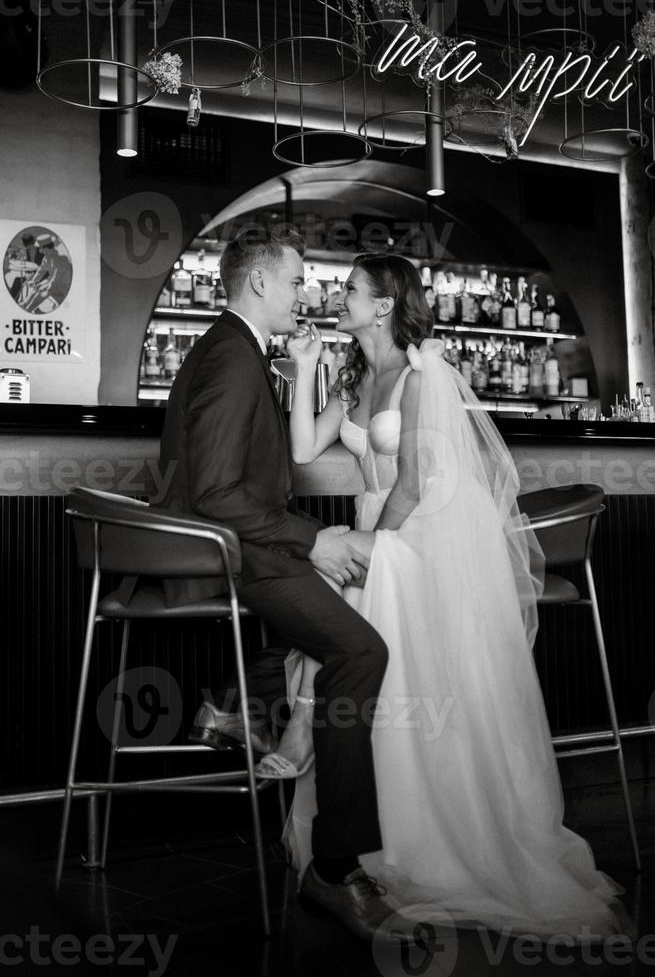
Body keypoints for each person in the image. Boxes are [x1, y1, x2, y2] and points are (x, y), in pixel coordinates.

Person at [262, 252, 627, 940]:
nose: (335, 298)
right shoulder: (355, 373)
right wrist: (306, 366)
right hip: (383, 534)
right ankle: (327, 754)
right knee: (325, 574)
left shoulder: (423, 373)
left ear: (383, 304)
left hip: (419, 534)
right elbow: (306, 449)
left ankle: (306, 725)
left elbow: (414, 484)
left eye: (348, 291)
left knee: (326, 571)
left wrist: (381, 553)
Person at [157, 230, 399, 942]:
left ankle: (240, 706)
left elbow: (240, 483)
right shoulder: (234, 359)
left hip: (234, 547)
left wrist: (306, 540)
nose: (307, 294)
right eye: (297, 282)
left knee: (326, 627)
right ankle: (333, 868)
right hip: (230, 554)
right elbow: (217, 495)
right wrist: (313, 538)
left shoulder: (228, 347)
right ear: (259, 282)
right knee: (362, 651)